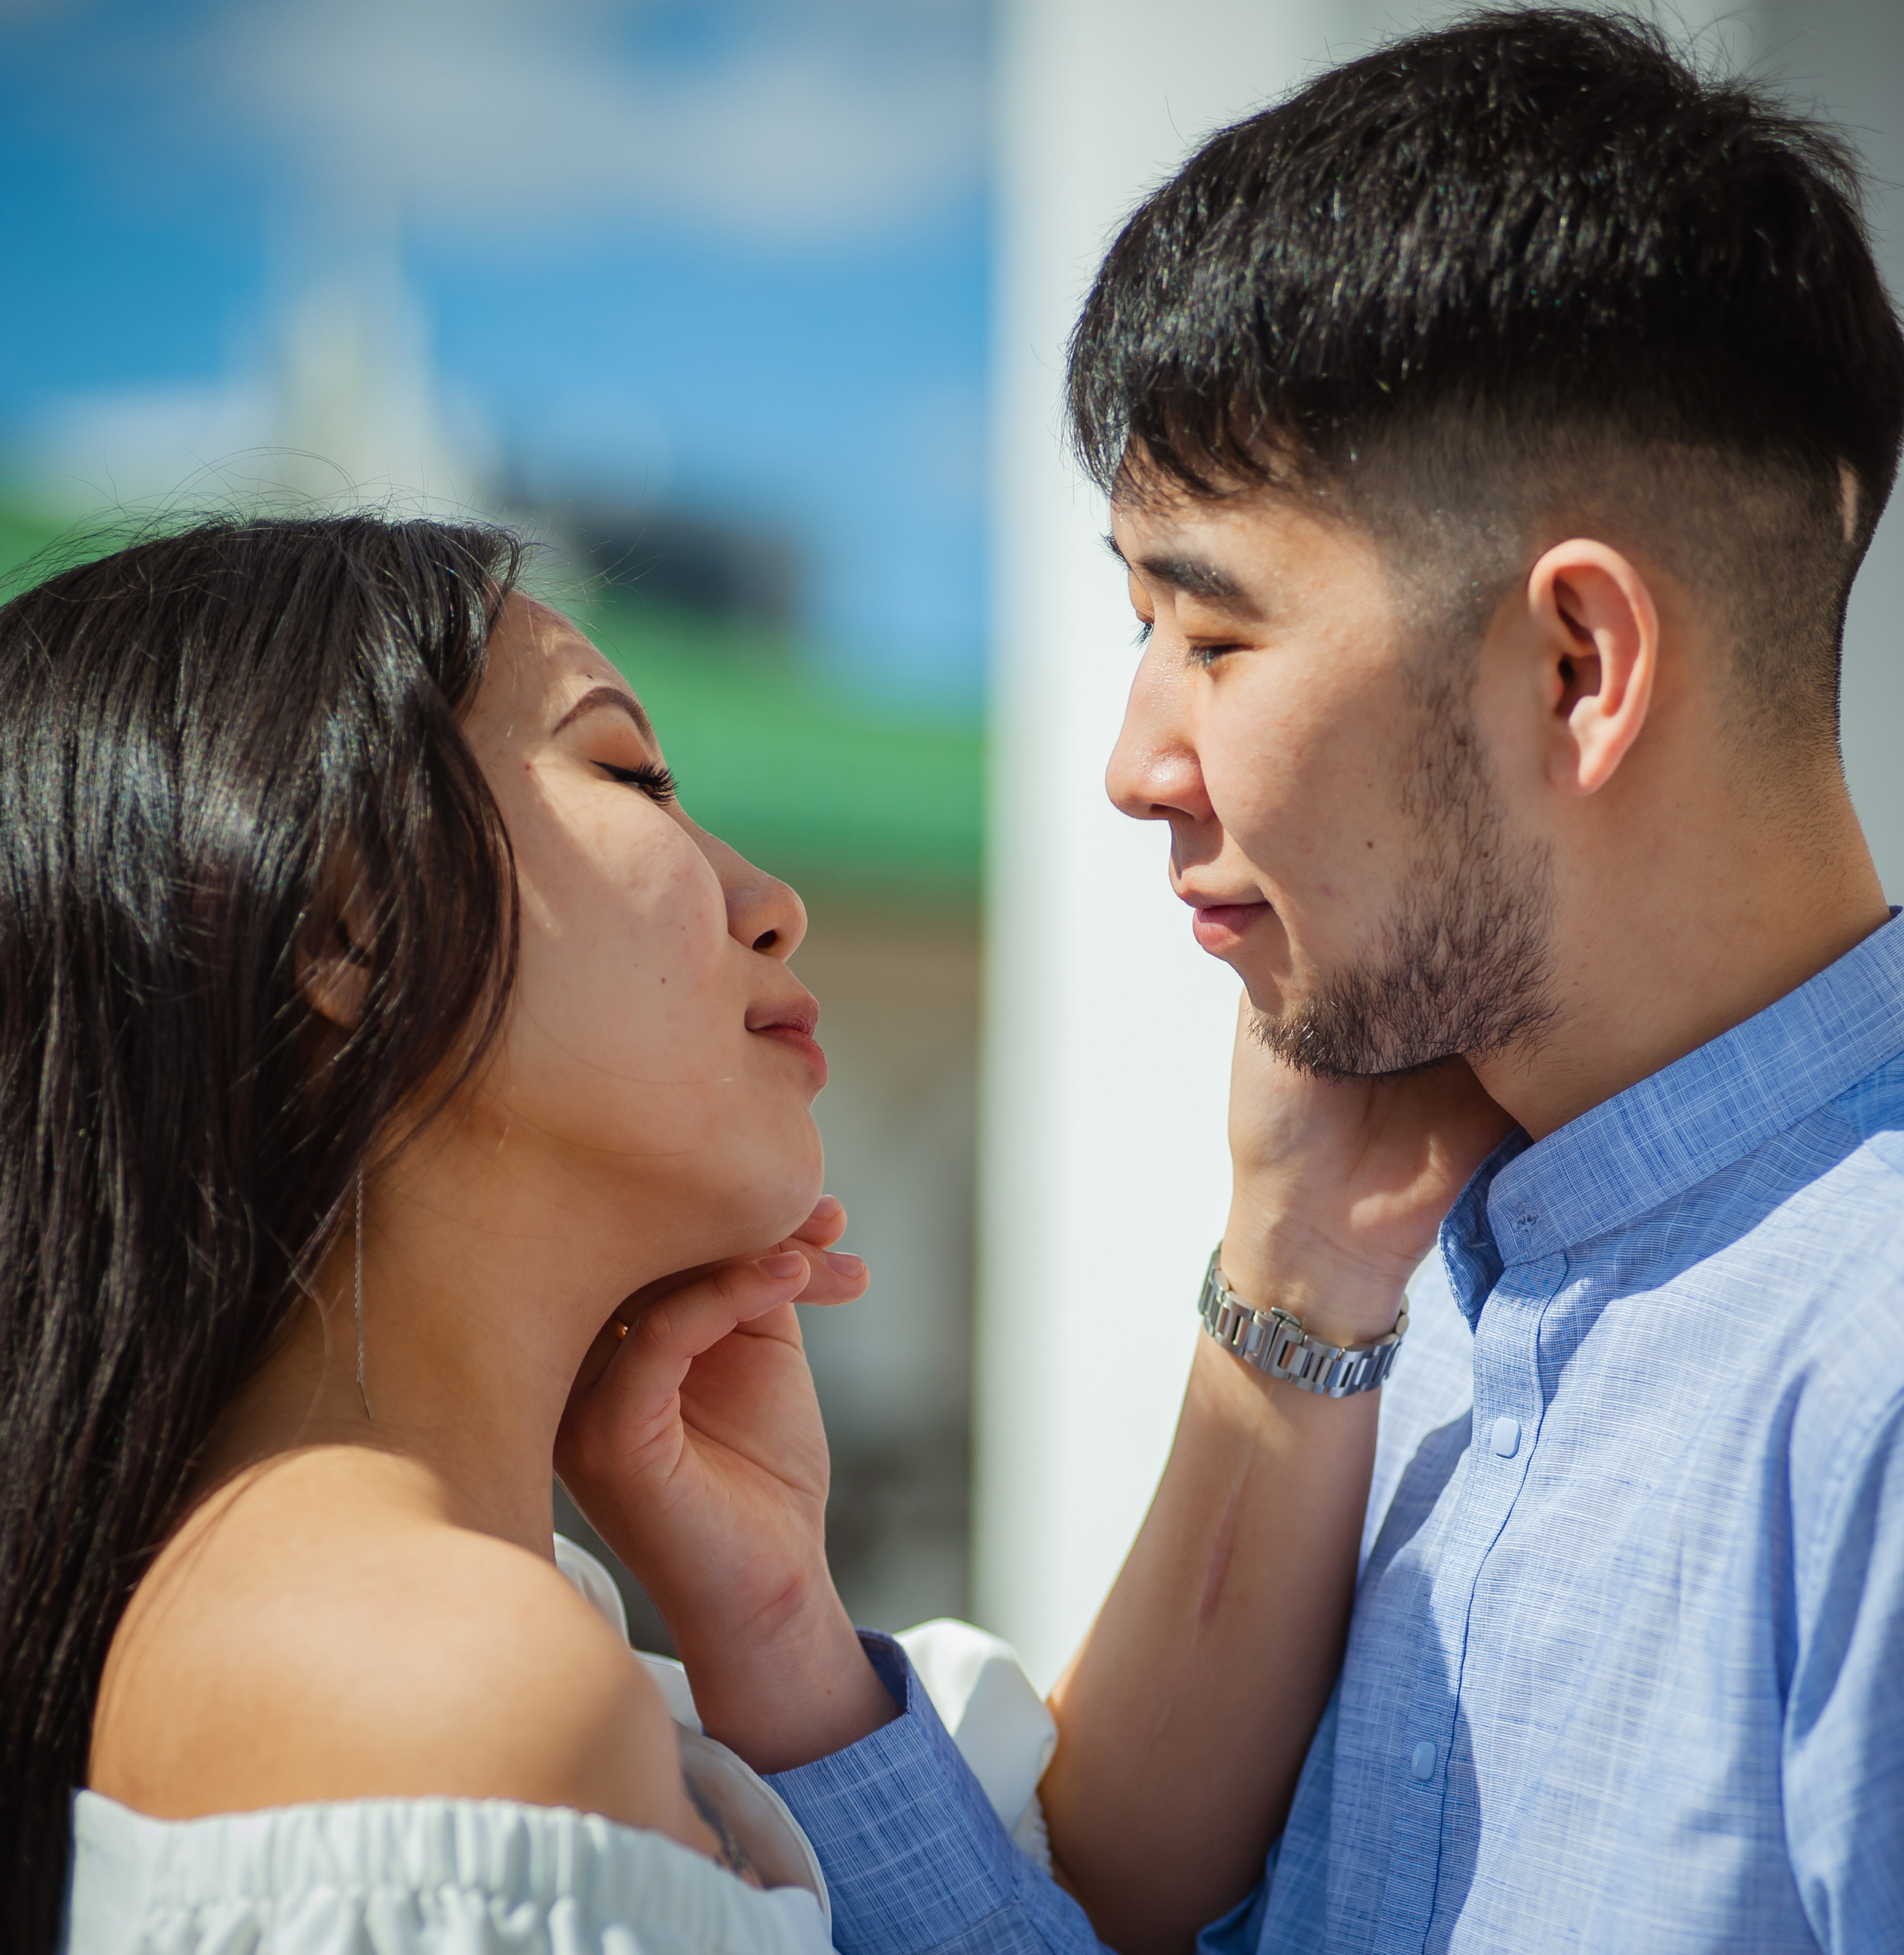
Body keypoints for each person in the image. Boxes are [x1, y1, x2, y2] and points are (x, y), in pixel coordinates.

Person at [587, 12, 1904, 1954]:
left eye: (1212, 632)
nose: (1133, 759)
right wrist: (781, 1620)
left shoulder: (1860, 1371)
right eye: (1137, 629)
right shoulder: (1429, 1281)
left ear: (1576, 666)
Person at [0, 515, 910, 1952]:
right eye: (629, 772)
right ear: (353, 929)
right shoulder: (449, 1684)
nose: (772, 903)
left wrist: (781, 1610)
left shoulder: (459, 1637)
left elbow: (1122, 1875)